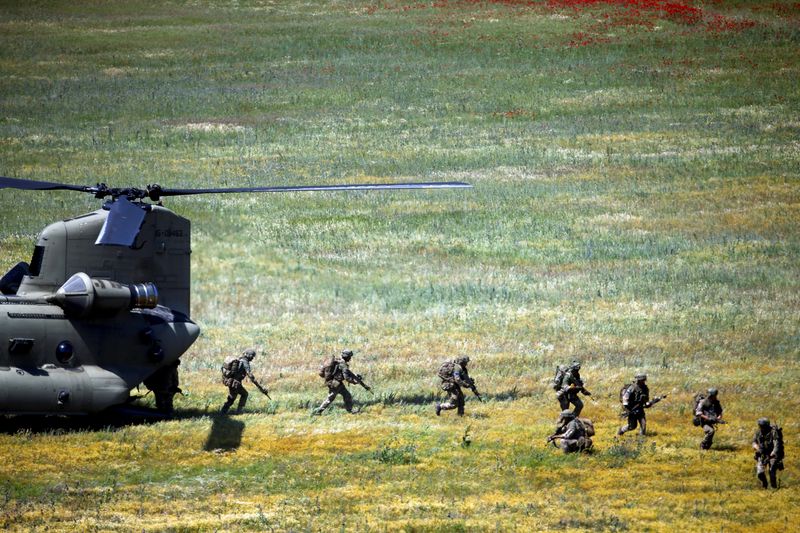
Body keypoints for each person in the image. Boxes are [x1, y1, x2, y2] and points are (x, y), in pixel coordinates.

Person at [313, 349, 371, 415]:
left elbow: (348, 373)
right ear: (347, 357)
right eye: (350, 357)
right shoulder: (343, 365)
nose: (350, 358)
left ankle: (350, 410)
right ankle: (318, 411)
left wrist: (356, 378)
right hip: (335, 384)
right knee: (330, 398)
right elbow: (346, 377)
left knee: (347, 396)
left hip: (337, 383)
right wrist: (354, 382)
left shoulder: (339, 361)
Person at [220, 349, 269, 414]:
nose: (252, 358)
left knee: (232, 397)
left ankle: (223, 412)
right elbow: (250, 376)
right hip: (235, 383)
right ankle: (238, 412)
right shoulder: (245, 362)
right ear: (248, 355)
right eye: (252, 356)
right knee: (243, 395)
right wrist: (261, 388)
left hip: (231, 381)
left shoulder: (240, 360)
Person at [752, 418, 784, 489]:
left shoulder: (773, 432)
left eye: (762, 426)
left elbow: (777, 444)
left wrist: (773, 453)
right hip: (762, 454)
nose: (761, 427)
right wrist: (758, 448)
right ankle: (764, 484)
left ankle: (774, 487)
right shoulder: (758, 433)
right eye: (760, 426)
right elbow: (754, 442)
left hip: (772, 455)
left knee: (771, 471)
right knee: (760, 473)